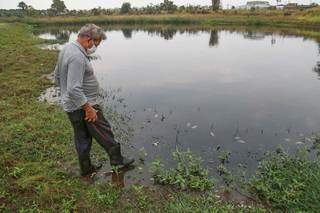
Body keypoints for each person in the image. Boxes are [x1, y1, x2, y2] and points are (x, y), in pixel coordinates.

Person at [54, 24, 134, 177]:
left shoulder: (67, 48)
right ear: (88, 40)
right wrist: (88, 108)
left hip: (72, 106)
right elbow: (73, 88)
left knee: (82, 137)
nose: (95, 47)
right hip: (87, 105)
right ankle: (118, 161)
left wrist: (66, 97)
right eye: (96, 43)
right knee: (104, 132)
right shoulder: (77, 56)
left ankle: (86, 168)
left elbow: (57, 76)